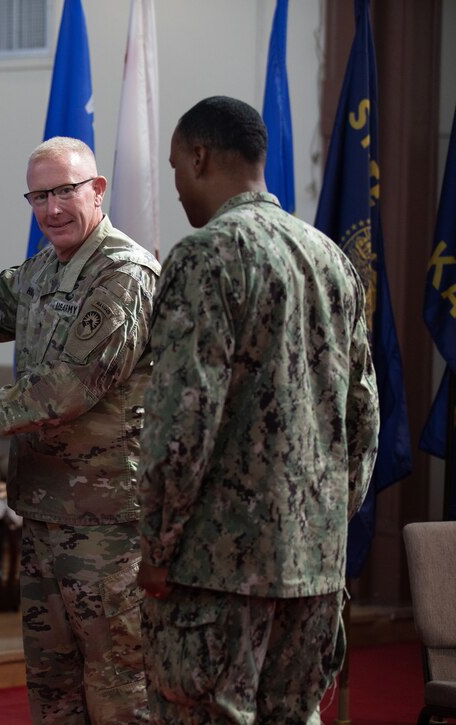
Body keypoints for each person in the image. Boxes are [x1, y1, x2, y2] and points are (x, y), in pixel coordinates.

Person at [137, 96, 381, 722]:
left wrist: (159, 546)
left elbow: (182, 421)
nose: (178, 188)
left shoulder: (206, 256)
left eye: (175, 169)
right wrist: (328, 523)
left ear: (200, 156)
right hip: (315, 568)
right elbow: (363, 415)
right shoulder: (334, 261)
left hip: (215, 573)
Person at [0, 136, 160, 724]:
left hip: (107, 528)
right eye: (39, 196)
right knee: (53, 692)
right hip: (45, 515)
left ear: (98, 190)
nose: (52, 209)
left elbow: (65, 392)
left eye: (65, 191)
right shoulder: (41, 272)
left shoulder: (123, 275)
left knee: (117, 692)